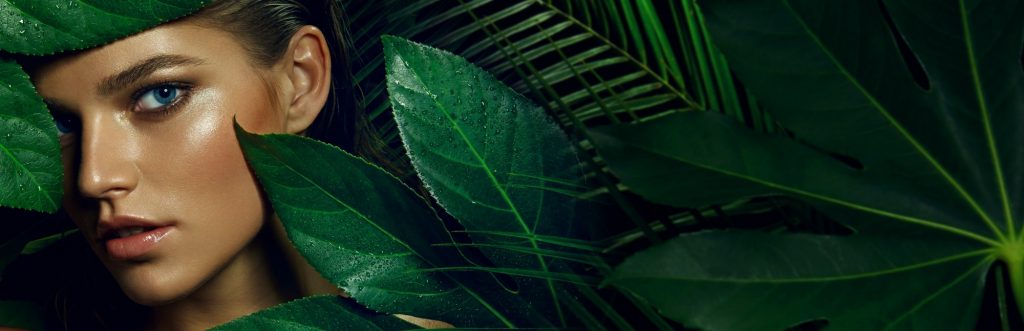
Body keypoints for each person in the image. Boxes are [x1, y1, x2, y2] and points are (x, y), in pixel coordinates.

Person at [16, 0, 434, 329]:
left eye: (161, 94)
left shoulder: (488, 307)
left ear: (300, 82)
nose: (94, 178)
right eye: (59, 122)